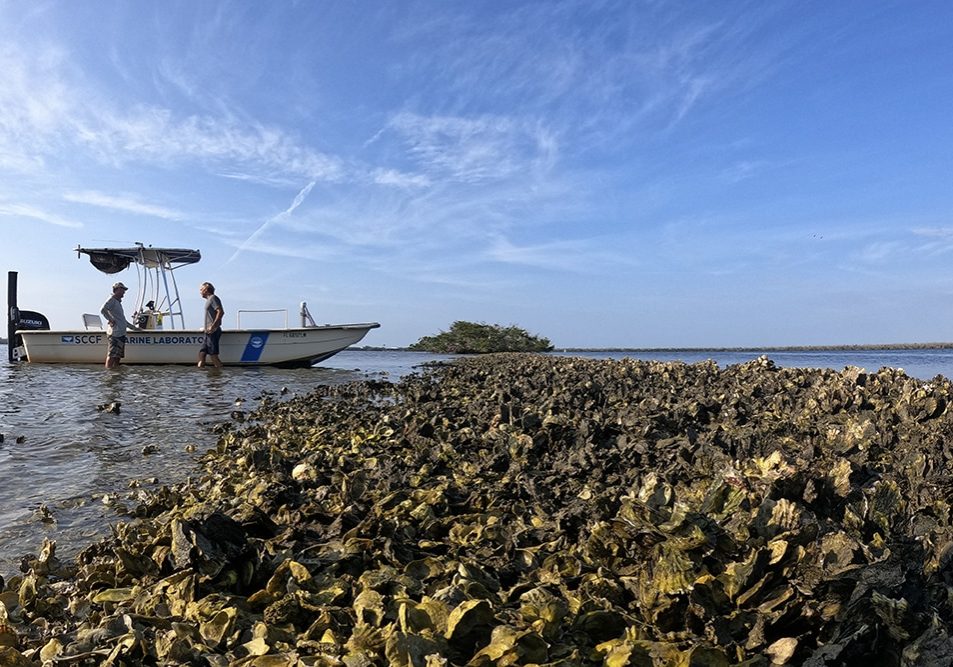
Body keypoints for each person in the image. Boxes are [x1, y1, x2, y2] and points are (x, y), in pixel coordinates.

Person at [100, 282, 139, 369]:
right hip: (115, 334)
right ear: (117, 290)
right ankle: (109, 373)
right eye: (122, 289)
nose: (124, 292)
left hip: (121, 334)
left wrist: (135, 328)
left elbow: (123, 320)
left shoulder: (117, 302)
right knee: (112, 355)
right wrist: (110, 319)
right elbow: (103, 310)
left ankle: (116, 372)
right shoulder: (112, 300)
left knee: (118, 357)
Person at [198, 282, 224, 368]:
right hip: (207, 332)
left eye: (201, 290)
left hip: (213, 331)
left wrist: (213, 326)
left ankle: (219, 377)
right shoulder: (208, 300)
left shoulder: (213, 298)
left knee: (213, 355)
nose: (200, 292)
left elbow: (220, 312)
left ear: (206, 290)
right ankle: (200, 375)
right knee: (202, 353)